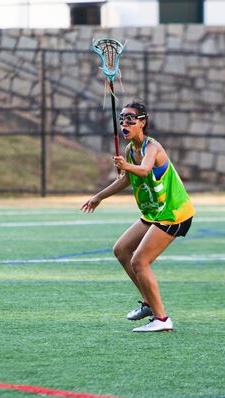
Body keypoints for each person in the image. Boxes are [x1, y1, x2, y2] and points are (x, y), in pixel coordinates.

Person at [81, 101, 195, 332]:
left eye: (131, 118)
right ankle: (149, 304)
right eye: (122, 118)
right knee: (121, 250)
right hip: (155, 212)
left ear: (143, 122)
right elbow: (126, 179)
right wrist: (99, 197)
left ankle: (162, 320)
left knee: (139, 261)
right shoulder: (129, 150)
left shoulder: (152, 147)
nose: (125, 123)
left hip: (173, 213)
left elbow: (143, 170)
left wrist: (127, 166)